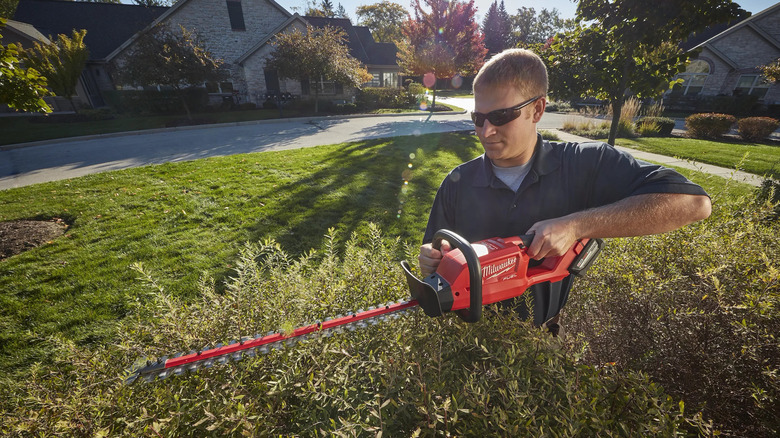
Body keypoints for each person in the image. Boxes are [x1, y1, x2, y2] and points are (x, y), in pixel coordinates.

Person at [418, 48, 712, 334]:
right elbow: (435, 254)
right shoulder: (458, 181)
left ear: (537, 110)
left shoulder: (585, 164)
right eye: (478, 118)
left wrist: (575, 226)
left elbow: (694, 204)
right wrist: (432, 260)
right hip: (468, 342)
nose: (486, 132)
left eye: (500, 117)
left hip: (543, 341)